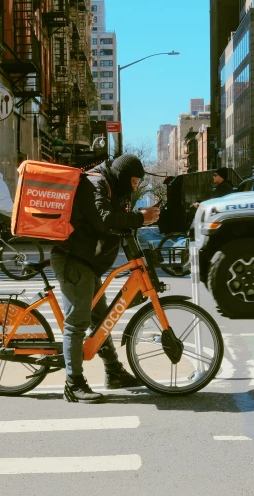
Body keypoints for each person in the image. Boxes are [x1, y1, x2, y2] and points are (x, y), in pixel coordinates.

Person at [50, 154, 160, 403]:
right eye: (132, 181)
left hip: (86, 262)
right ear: (121, 175)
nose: (133, 187)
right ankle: (73, 384)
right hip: (73, 260)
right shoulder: (95, 183)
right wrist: (141, 218)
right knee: (77, 323)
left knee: (102, 320)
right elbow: (104, 219)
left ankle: (114, 372)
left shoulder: (110, 186)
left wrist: (139, 219)